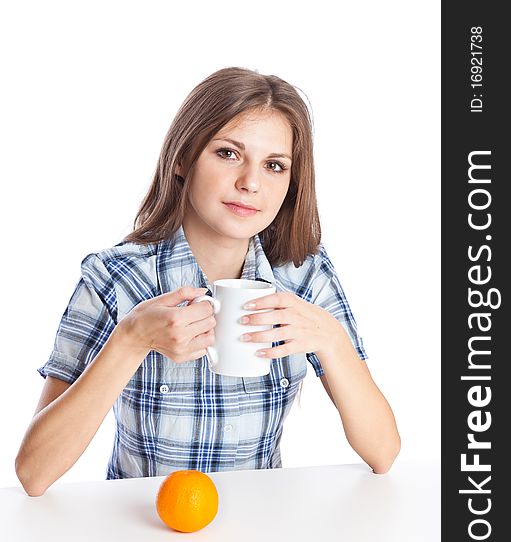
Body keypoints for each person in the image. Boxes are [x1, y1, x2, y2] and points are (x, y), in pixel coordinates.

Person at [15, 67, 400, 496]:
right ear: (183, 158)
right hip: (140, 531)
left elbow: (383, 452)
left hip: (263, 528)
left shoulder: (303, 274)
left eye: (274, 166)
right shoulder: (115, 277)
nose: (250, 183)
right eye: (228, 154)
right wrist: (131, 340)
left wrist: (331, 339)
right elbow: (34, 473)